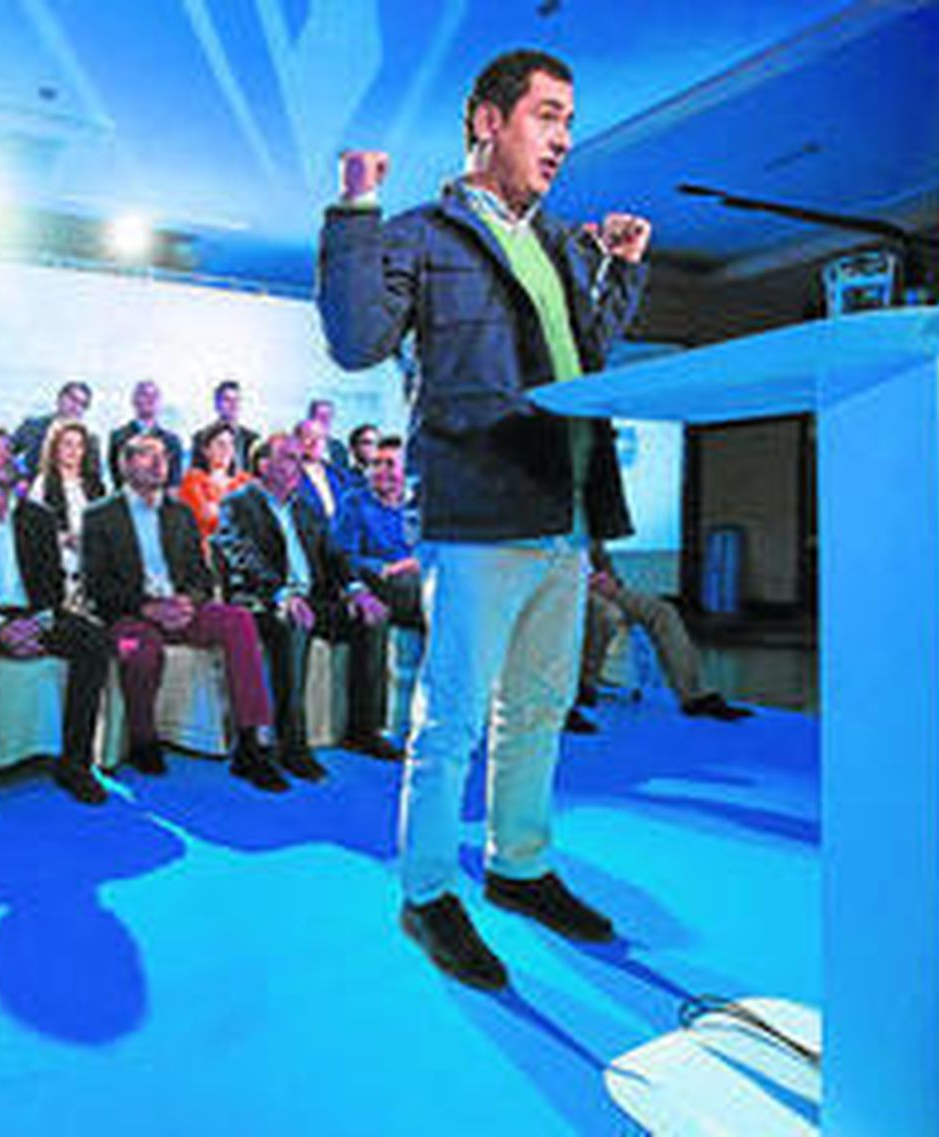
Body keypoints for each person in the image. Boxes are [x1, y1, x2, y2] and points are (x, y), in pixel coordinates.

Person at [318, 48, 653, 989]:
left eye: (569, 121)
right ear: (486, 120)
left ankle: (519, 866)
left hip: (563, 511)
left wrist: (618, 275)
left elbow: (580, 359)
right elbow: (355, 342)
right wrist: (353, 211)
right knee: (453, 718)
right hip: (475, 514)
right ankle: (426, 893)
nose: (563, 140)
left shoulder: (553, 244)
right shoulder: (423, 233)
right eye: (546, 116)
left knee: (539, 707)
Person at [82, 434, 285, 788]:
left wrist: (188, 602)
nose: (159, 463)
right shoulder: (100, 515)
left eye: (163, 456)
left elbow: (201, 577)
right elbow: (97, 586)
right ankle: (144, 741)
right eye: (147, 456)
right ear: (125, 464)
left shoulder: (180, 514)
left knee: (239, 621)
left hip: (181, 608)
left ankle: (250, 743)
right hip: (132, 613)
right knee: (140, 652)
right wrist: (148, 608)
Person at [0, 427, 112, 824]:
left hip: (34, 615)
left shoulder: (39, 517)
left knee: (93, 639)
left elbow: (52, 585)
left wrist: (35, 623)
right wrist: (0, 628)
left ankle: (75, 762)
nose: (7, 456)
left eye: (9, 449)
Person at [213, 434, 392, 778]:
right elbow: (243, 557)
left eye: (299, 458)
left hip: (313, 597)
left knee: (372, 618)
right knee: (293, 621)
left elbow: (334, 554)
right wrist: (282, 594)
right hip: (263, 600)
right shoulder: (238, 504)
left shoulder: (304, 507)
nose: (300, 466)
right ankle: (292, 745)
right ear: (264, 465)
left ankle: (363, 730)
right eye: (290, 458)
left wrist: (356, 590)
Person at [569, 541, 753, 730]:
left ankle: (695, 696)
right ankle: (585, 684)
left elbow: (602, 562)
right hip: (568, 589)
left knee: (663, 611)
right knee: (606, 614)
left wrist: (612, 582)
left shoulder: (588, 526)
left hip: (597, 587)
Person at [331, 435, 425, 750]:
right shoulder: (354, 503)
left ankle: (441, 717)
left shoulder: (418, 505)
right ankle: (366, 732)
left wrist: (416, 563)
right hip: (374, 585)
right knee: (374, 615)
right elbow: (341, 555)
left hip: (417, 588)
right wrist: (386, 568)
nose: (381, 470)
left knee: (450, 608)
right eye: (375, 463)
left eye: (389, 464)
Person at [29, 418, 107, 589]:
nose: (74, 451)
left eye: (79, 445)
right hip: (58, 568)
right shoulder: (43, 484)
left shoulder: (96, 485)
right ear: (55, 448)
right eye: (67, 444)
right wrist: (64, 538)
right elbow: (33, 532)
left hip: (94, 567)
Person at [10, 380, 103, 484]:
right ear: (60, 398)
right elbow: (6, 456)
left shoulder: (90, 440)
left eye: (83, 405)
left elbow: (94, 478)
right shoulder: (33, 426)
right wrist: (19, 480)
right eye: (73, 399)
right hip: (30, 491)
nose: (76, 407)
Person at [177, 422, 253, 540]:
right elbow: (206, 519)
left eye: (231, 444)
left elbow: (257, 519)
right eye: (220, 444)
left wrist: (217, 508)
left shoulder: (245, 480)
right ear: (206, 450)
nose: (227, 449)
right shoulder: (193, 479)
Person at [107, 379, 185, 488]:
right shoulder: (118, 437)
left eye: (154, 396)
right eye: (144, 395)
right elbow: (117, 478)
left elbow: (174, 482)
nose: (150, 400)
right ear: (134, 401)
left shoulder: (172, 441)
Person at [191, 379, 260, 473]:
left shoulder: (252, 439)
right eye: (227, 400)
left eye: (237, 400)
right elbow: (197, 474)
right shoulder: (201, 437)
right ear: (217, 404)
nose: (233, 405)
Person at [294, 417, 352, 522]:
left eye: (320, 437)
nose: (315, 442)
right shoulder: (288, 476)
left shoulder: (338, 475)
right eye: (308, 436)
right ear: (295, 441)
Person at [306, 398, 353, 470]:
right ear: (310, 418)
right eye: (321, 416)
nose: (325, 421)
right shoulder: (298, 447)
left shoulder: (339, 448)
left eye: (328, 417)